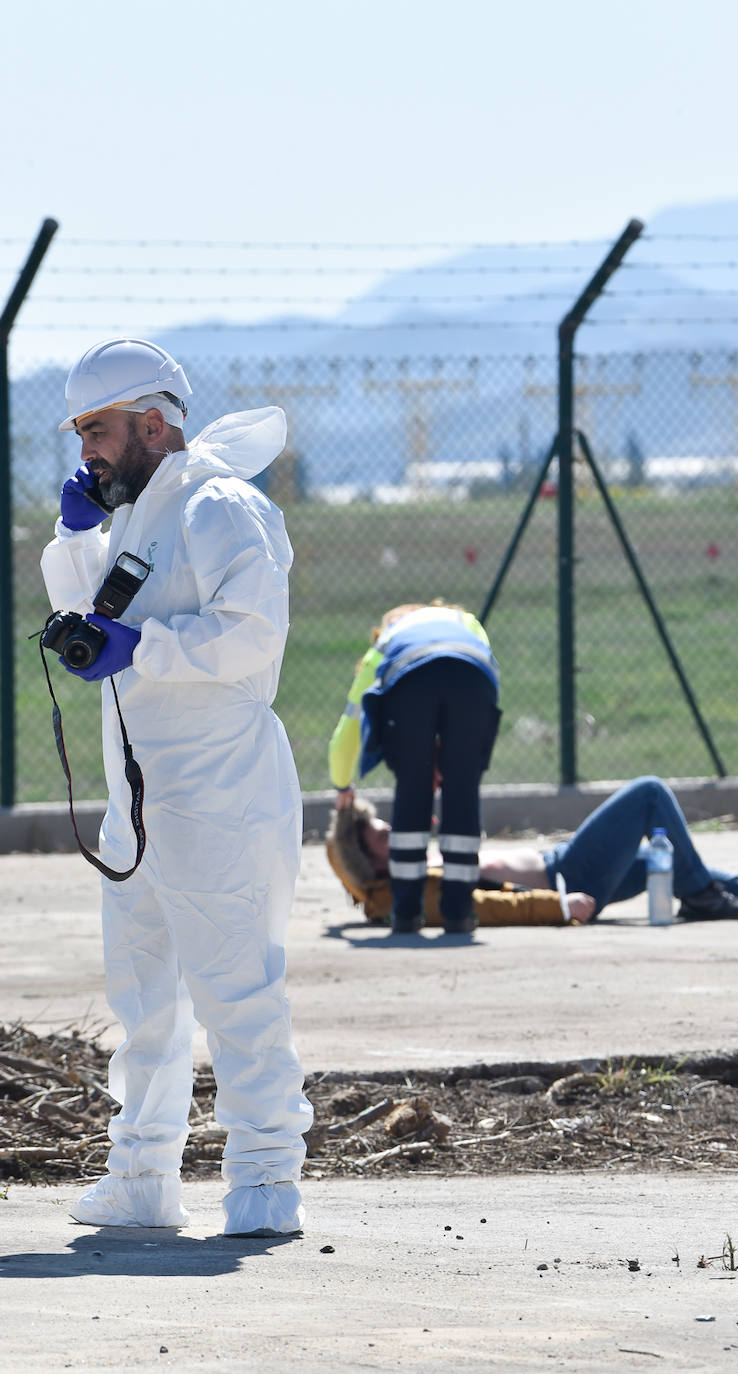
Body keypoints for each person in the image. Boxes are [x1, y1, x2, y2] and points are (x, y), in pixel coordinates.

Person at [40, 337, 312, 1237]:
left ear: (154, 423)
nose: (87, 449)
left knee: (238, 988)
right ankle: (143, 1177)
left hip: (220, 792)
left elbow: (251, 635)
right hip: (141, 800)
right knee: (145, 1000)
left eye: (101, 429)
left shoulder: (219, 504)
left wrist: (146, 649)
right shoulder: (130, 516)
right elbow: (87, 619)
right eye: (79, 431)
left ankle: (267, 1178)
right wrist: (77, 535)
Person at [326, 774, 738, 928]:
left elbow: (340, 850)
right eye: (384, 837)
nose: (398, 834)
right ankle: (704, 896)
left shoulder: (394, 876)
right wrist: (557, 907)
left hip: (562, 865)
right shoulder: (392, 896)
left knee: (654, 863)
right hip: (569, 878)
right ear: (368, 861)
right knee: (649, 794)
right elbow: (483, 907)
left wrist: (344, 806)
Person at [329, 601, 501, 935]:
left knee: (413, 786)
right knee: (462, 789)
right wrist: (452, 749)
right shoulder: (464, 621)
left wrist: (343, 785)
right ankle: (460, 912)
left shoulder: (388, 641)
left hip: (411, 684)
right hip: (474, 679)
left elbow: (349, 730)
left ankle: (406, 913)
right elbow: (475, 666)